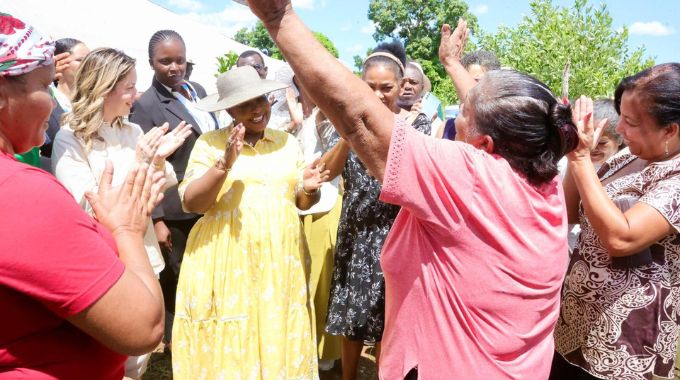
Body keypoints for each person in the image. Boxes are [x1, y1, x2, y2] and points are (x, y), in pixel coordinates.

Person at [242, 5, 578, 379]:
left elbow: (359, 118)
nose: (455, 122)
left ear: (484, 144)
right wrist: (453, 65)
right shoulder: (541, 175)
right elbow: (500, 120)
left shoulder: (469, 178)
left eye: (461, 117)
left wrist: (278, 17)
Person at [0, 14, 165, 379]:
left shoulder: (132, 129)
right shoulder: (21, 193)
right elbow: (143, 326)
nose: (57, 103)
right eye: (47, 86)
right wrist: (126, 231)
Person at [170, 65, 328, 379]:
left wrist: (308, 188)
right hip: (227, 259)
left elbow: (300, 203)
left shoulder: (287, 143)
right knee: (231, 333)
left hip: (280, 260)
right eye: (245, 105)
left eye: (261, 101)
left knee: (276, 328)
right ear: (229, 109)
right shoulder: (211, 144)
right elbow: (193, 203)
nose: (257, 110)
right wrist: (224, 163)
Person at [51, 47, 192, 378]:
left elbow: (157, 189)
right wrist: (143, 162)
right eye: (129, 86)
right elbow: (88, 207)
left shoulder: (133, 132)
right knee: (110, 355)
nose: (136, 94)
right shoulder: (70, 138)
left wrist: (156, 161)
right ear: (104, 87)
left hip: (143, 255)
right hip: (103, 262)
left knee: (139, 356)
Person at [552, 64, 680, 380]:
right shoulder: (629, 158)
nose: (619, 128)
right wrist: (573, 154)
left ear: (670, 130)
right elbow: (571, 211)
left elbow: (622, 239)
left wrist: (582, 160)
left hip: (626, 345)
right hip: (574, 327)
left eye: (631, 122)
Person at [321, 40, 431, 380]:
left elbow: (410, 177)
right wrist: (347, 133)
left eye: (387, 87)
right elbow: (328, 170)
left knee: (389, 318)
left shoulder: (417, 125)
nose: (379, 94)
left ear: (401, 86)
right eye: (371, 87)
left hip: (394, 232)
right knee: (352, 317)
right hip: (355, 230)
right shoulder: (348, 122)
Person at [130, 29, 217, 350]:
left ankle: (202, 332)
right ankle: (177, 341)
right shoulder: (146, 105)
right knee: (179, 277)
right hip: (175, 208)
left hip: (207, 200)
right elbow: (145, 163)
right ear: (151, 63)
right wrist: (157, 219)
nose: (174, 67)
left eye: (179, 60)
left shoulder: (198, 91)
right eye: (165, 61)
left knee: (206, 273)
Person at [557, 98, 624, 251]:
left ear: (619, 140)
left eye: (602, 143)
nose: (592, 147)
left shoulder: (624, 168)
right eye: (587, 138)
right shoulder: (565, 163)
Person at [42, 38, 90, 158]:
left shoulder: (93, 105)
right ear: (58, 62)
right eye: (81, 60)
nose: (88, 66)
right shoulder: (43, 102)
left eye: (90, 61)